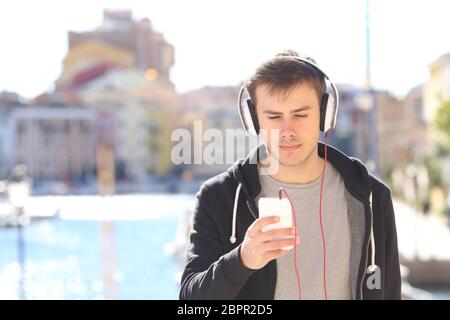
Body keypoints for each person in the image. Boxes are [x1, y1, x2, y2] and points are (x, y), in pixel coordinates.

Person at [179, 50, 401, 300]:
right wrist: (243, 259)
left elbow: (390, 291)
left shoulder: (372, 195)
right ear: (253, 120)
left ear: (324, 114)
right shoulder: (218, 197)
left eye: (300, 115)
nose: (287, 131)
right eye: (274, 116)